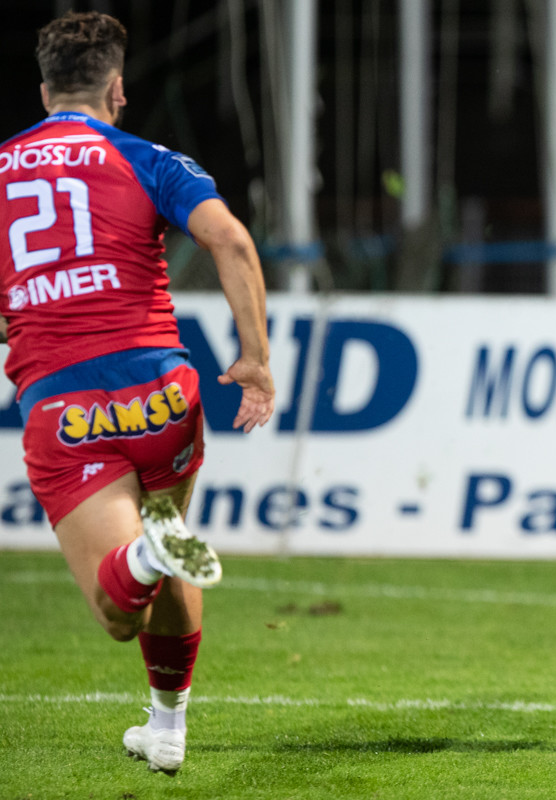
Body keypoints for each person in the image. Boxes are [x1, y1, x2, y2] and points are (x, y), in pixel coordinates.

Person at [0, 11, 274, 774]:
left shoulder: (1, 168)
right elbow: (232, 240)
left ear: (45, 89)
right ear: (117, 89)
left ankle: (151, 548)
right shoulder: (151, 158)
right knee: (163, 556)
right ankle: (167, 726)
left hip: (69, 407)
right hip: (165, 399)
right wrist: (254, 359)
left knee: (120, 610)